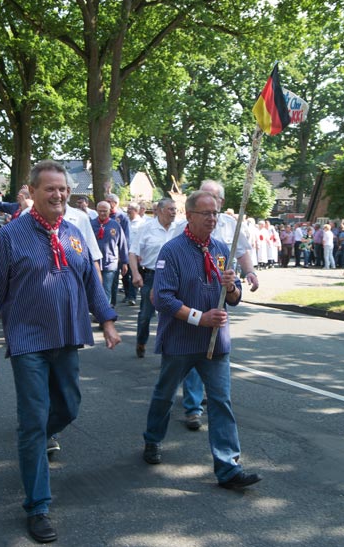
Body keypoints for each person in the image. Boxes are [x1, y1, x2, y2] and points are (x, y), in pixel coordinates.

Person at [0, 160, 120, 544]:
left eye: (63, 189)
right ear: (32, 192)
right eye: (50, 189)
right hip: (28, 342)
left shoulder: (73, 233)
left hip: (68, 336)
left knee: (69, 407)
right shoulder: (9, 237)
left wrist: (107, 320)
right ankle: (38, 506)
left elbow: (90, 280)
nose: (58, 195)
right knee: (34, 419)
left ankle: (33, 439)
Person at [142, 190, 261, 491]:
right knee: (165, 395)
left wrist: (232, 287)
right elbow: (163, 298)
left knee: (221, 402)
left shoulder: (222, 249)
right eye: (205, 213)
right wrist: (199, 317)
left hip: (215, 342)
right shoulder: (172, 250)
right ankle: (153, 439)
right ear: (190, 214)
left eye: (215, 213)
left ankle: (228, 467)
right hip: (181, 340)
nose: (211, 218)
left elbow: (233, 299)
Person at [170, 180, 259, 429]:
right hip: (192, 297)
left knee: (215, 350)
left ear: (221, 203)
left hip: (219, 295)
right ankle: (193, 407)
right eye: (203, 199)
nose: (209, 207)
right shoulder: (181, 228)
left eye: (213, 201)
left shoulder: (232, 225)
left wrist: (249, 273)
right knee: (195, 350)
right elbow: (172, 253)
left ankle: (216, 401)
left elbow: (242, 252)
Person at [129, 197, 180, 359]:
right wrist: (136, 273)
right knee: (146, 315)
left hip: (174, 277)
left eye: (175, 209)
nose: (173, 212)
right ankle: (141, 341)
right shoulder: (147, 228)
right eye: (170, 209)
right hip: (151, 276)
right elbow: (133, 252)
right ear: (160, 210)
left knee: (171, 313)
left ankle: (167, 349)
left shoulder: (180, 227)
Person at [91, 201, 128, 305]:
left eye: (105, 211)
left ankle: (105, 313)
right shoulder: (91, 224)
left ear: (109, 211)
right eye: (100, 211)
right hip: (95, 263)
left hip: (110, 262)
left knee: (107, 288)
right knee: (96, 289)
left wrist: (124, 262)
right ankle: (98, 310)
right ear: (97, 211)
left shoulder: (115, 225)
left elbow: (122, 244)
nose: (102, 213)